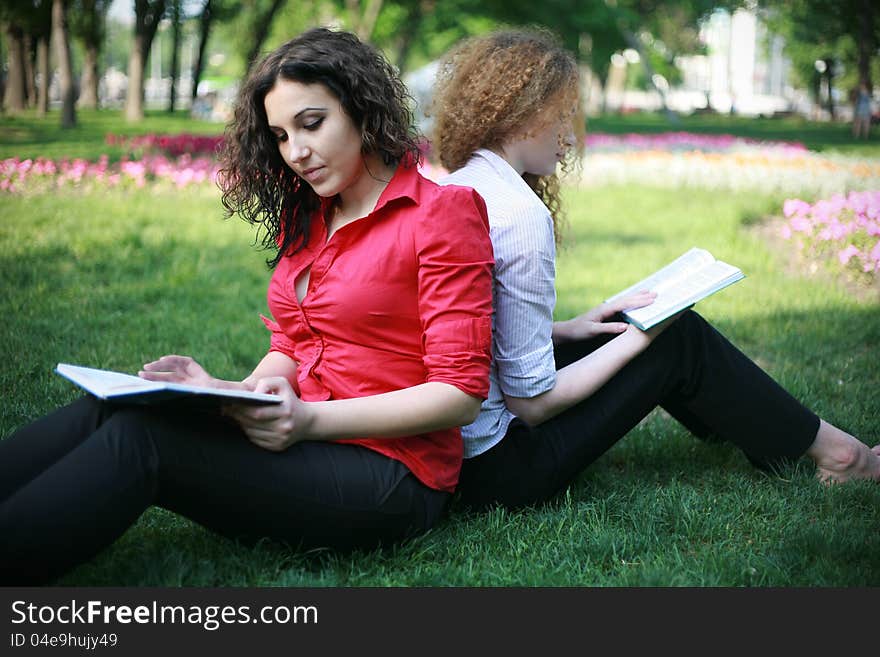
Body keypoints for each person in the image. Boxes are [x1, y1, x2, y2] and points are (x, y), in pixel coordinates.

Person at [0, 27, 494, 584]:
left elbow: (459, 395)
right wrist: (229, 393)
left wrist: (307, 421)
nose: (296, 152)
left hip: (394, 476)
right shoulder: (311, 215)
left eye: (311, 124)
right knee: (120, 408)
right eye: (281, 135)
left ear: (361, 107)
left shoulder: (442, 215)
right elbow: (295, 341)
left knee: (146, 442)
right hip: (301, 433)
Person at [430, 29, 880, 511]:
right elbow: (532, 403)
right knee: (674, 337)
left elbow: (475, 330)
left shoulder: (457, 184)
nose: (569, 136)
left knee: (631, 325)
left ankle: (752, 424)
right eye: (561, 115)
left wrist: (577, 326)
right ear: (521, 116)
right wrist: (639, 340)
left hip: (455, 448)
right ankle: (842, 458)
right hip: (500, 468)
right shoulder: (520, 215)